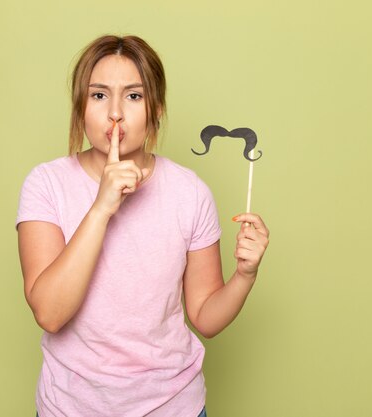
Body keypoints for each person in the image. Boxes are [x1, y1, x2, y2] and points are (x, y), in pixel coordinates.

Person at [16, 35, 269, 417]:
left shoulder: (190, 193)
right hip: (70, 409)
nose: (115, 112)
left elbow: (205, 316)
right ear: (80, 106)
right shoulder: (46, 184)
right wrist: (101, 208)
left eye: (133, 96)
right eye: (99, 95)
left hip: (174, 407)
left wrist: (245, 275)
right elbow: (50, 313)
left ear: (157, 109)